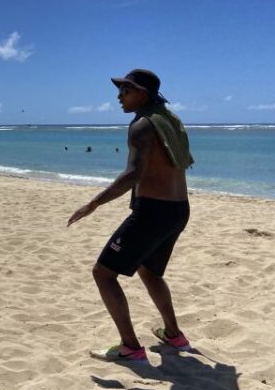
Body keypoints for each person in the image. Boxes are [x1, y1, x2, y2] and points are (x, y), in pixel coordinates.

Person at [68, 69, 194, 362]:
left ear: (143, 94)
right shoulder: (170, 120)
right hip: (179, 209)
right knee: (149, 271)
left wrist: (93, 203)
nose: (119, 96)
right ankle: (174, 335)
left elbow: (133, 174)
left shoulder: (142, 126)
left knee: (103, 273)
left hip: (153, 211)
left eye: (126, 90)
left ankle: (130, 347)